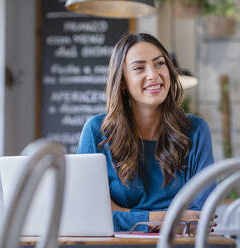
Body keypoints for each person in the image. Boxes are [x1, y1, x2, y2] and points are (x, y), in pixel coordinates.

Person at [77, 33, 216, 232]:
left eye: (159, 64)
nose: (153, 75)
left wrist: (122, 213)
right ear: (122, 81)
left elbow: (199, 218)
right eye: (139, 68)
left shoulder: (195, 130)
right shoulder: (97, 131)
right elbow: (89, 214)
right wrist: (163, 218)